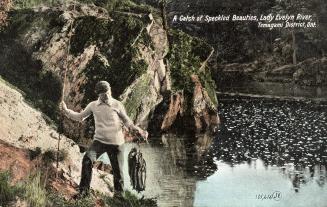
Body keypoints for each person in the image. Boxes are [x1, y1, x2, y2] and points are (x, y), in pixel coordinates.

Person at [61, 80, 148, 197]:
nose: (106, 95)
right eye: (103, 94)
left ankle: (119, 196)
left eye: (108, 92)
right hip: (99, 142)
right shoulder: (93, 105)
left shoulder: (117, 104)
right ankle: (83, 191)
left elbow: (127, 122)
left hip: (117, 143)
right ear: (98, 94)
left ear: (110, 90)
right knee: (87, 160)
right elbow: (80, 117)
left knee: (118, 172)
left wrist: (138, 131)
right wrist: (66, 111)